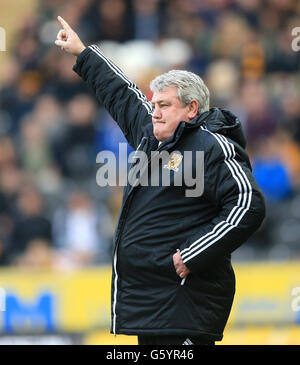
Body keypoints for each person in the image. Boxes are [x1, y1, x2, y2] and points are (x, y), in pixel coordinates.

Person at [55, 16, 266, 345]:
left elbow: (248, 204)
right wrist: (82, 53)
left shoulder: (212, 145)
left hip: (185, 303)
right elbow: (122, 94)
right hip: (153, 305)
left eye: (165, 105)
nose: (154, 111)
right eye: (154, 104)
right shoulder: (152, 135)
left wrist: (192, 254)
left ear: (191, 109)